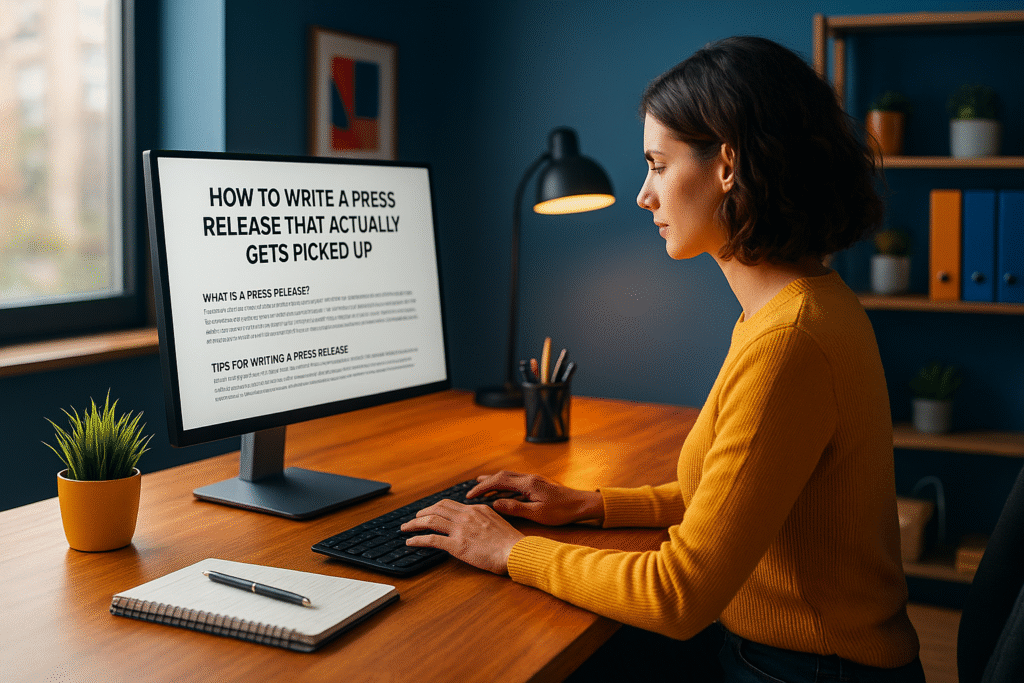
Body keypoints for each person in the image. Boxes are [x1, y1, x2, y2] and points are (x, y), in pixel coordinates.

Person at [402, 36, 926, 682]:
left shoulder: (789, 342)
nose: (644, 195)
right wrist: (588, 504)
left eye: (657, 164)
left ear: (727, 165)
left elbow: (678, 594)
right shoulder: (798, 308)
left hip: (804, 670)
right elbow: (724, 499)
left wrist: (511, 549)